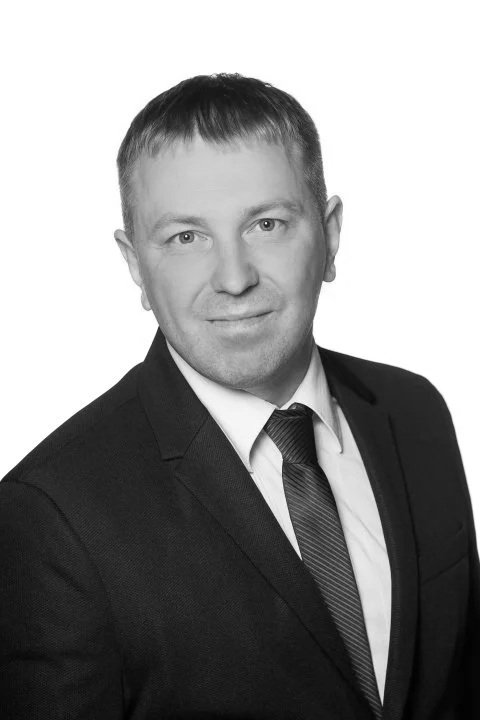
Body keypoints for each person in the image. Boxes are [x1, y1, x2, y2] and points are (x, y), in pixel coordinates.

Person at [0, 72, 478, 720]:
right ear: (135, 263)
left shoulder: (416, 413)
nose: (233, 278)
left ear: (330, 234)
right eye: (186, 237)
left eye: (267, 224)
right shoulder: (52, 517)